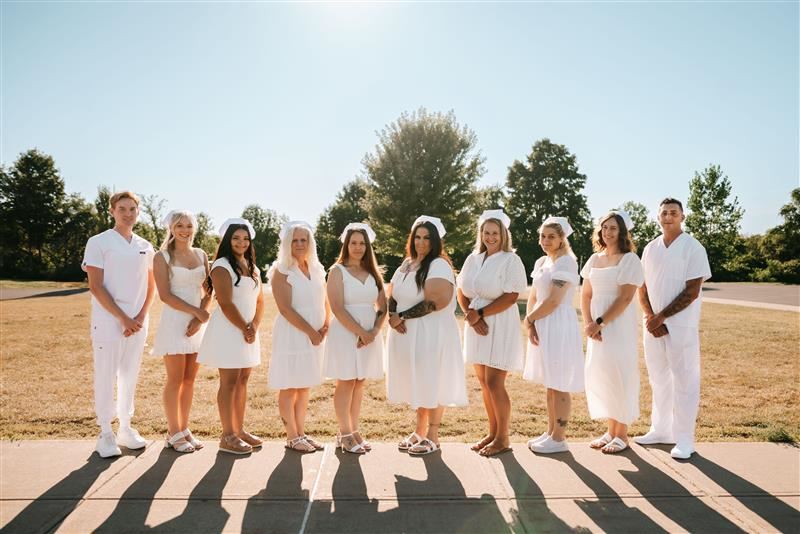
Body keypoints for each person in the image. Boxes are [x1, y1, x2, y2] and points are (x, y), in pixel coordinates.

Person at [635, 198, 711, 459]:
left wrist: (663, 317)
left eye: (673, 213)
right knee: (658, 378)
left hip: (681, 325)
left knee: (685, 379)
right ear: (658, 217)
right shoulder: (650, 248)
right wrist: (650, 317)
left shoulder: (693, 247)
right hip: (652, 325)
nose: (668, 216)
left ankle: (685, 439)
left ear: (682, 217)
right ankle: (661, 430)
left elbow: (692, 291)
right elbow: (641, 287)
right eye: (664, 213)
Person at [82, 191, 156, 458]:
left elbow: (151, 285)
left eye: (133, 209)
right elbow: (96, 286)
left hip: (137, 323)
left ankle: (126, 427)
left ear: (138, 212)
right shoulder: (99, 242)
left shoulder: (145, 245)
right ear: (112, 211)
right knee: (106, 375)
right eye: (122, 208)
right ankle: (105, 433)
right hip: (108, 322)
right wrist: (123, 318)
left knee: (129, 376)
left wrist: (140, 317)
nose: (128, 213)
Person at [386, 216, 468, 456]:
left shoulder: (439, 265)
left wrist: (402, 316)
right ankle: (419, 431)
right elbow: (394, 293)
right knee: (419, 381)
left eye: (427, 238)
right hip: (410, 333)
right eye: (417, 237)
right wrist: (392, 314)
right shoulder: (407, 264)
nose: (421, 242)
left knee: (433, 380)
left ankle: (433, 435)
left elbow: (435, 302)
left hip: (432, 333)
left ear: (435, 241)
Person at [456, 210, 527, 457]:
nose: (490, 237)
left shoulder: (511, 260)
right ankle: (492, 433)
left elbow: (511, 296)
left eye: (495, 233)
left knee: (496, 382)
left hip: (498, 322)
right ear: (481, 234)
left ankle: (504, 438)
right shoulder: (473, 258)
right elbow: (461, 291)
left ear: (503, 234)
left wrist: (481, 313)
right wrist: (470, 315)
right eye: (486, 233)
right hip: (476, 324)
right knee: (484, 383)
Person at [197, 218, 264, 455]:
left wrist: (254, 326)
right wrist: (244, 327)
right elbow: (225, 303)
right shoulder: (221, 266)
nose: (241, 242)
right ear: (227, 240)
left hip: (248, 331)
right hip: (229, 330)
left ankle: (239, 429)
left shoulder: (253, 267)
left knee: (243, 380)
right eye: (236, 238)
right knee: (229, 382)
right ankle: (227, 435)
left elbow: (259, 300)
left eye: (245, 238)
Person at [580, 211, 644, 454]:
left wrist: (600, 322)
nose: (608, 232)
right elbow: (586, 294)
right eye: (605, 227)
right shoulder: (594, 259)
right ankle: (610, 431)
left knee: (620, 374)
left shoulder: (630, 260)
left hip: (617, 326)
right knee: (603, 374)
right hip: (595, 329)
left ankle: (622, 434)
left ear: (622, 232)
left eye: (613, 228)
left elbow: (625, 298)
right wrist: (589, 324)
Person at [323, 223, 387, 454]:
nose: (358, 247)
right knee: (346, 381)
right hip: (346, 332)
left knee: (360, 382)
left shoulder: (373, 272)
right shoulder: (337, 271)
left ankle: (352, 429)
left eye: (362, 243)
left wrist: (374, 332)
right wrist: (361, 332)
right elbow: (337, 308)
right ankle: (345, 432)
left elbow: (382, 307)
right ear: (346, 245)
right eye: (354, 243)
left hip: (369, 333)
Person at [152, 210, 212, 453]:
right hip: (175, 321)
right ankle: (173, 432)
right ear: (171, 228)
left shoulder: (201, 254)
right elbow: (165, 295)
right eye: (179, 225)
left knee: (189, 380)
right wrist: (195, 313)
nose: (185, 230)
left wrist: (199, 317)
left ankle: (185, 428)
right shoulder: (162, 257)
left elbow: (209, 290)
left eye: (188, 225)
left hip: (196, 324)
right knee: (175, 379)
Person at [523, 216, 584, 454]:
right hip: (542, 322)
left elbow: (554, 300)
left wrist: (531, 318)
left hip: (558, 323)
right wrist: (531, 323)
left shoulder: (566, 263)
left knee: (559, 382)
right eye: (543, 236)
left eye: (551, 236)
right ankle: (550, 432)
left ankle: (559, 438)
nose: (546, 241)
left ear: (561, 239)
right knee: (550, 382)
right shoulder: (541, 262)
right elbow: (535, 296)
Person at [268, 221, 330, 453]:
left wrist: (324, 326)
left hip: (315, 335)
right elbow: (285, 309)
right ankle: (292, 436)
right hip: (293, 334)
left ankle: (302, 432)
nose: (300, 244)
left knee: (304, 386)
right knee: (290, 386)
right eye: (295, 240)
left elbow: (324, 300)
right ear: (287, 243)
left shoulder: (316, 268)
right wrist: (311, 332)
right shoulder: (281, 270)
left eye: (304, 239)